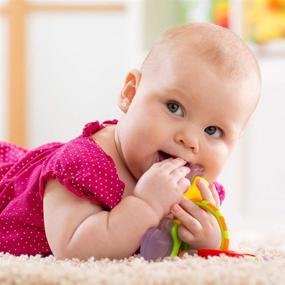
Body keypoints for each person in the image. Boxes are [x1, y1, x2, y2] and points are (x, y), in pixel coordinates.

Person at [0, 23, 261, 260]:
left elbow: (173, 243)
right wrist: (145, 205)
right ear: (130, 94)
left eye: (213, 131)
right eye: (174, 107)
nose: (190, 140)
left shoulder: (192, 188)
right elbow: (73, 250)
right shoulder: (81, 166)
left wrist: (206, 238)